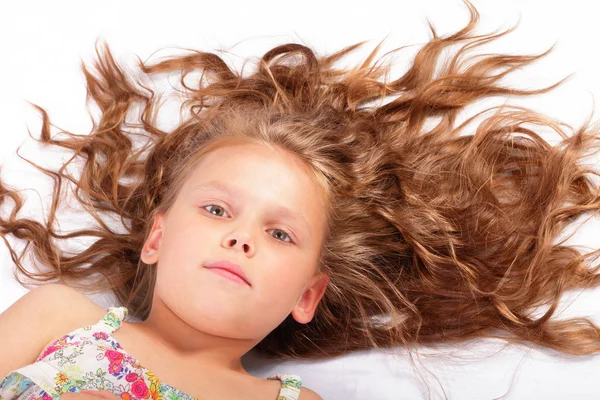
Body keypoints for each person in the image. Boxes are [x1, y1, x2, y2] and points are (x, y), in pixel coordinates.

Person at [2, 0, 600, 398]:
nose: (241, 238)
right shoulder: (62, 318)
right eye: (216, 210)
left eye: (280, 233)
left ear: (307, 295)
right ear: (156, 238)